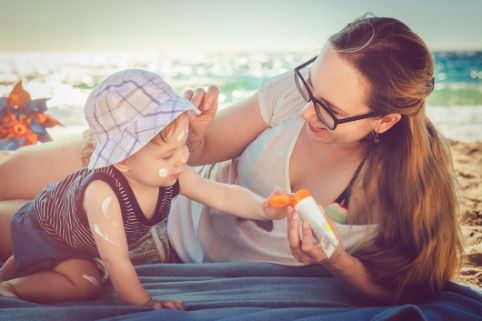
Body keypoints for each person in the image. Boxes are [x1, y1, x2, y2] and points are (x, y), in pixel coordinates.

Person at [0, 15, 463, 304]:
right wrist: (197, 137)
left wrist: (340, 262)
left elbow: (409, 286)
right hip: (162, 168)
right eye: (310, 88)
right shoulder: (299, 92)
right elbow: (204, 153)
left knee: (14, 228)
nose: (306, 111)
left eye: (329, 112)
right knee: (7, 173)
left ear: (383, 122)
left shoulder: (403, 188)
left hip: (159, 235)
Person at [0, 69, 289, 309]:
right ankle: (11, 288)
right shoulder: (104, 195)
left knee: (78, 272)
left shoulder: (172, 174)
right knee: (85, 284)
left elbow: (221, 194)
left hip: (71, 235)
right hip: (46, 233)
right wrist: (146, 303)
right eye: (167, 155)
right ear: (122, 160)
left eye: (183, 145)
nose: (182, 159)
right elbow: (116, 261)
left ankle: (15, 267)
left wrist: (264, 207)